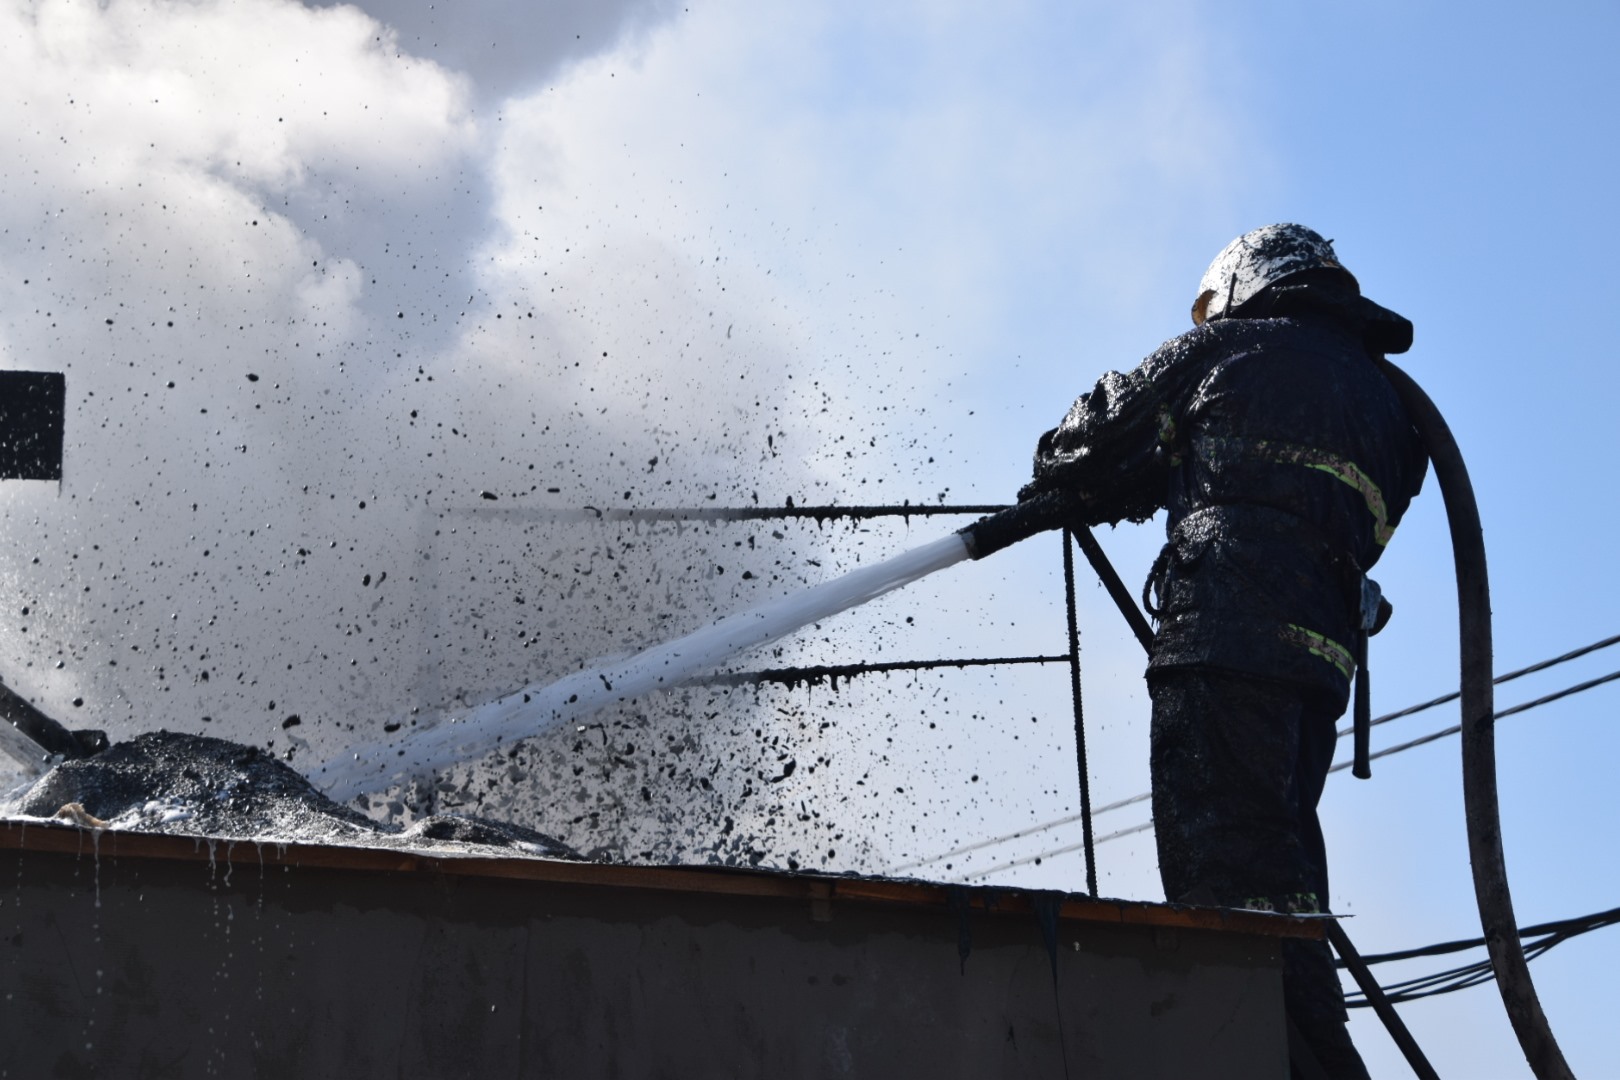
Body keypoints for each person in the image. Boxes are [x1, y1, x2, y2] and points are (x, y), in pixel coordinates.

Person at [1018, 224, 1427, 1079]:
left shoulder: (1228, 352)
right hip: (1317, 673)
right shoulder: (1395, 411)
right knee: (1278, 870)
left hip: (1222, 644)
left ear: (1243, 285)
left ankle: (1306, 1064)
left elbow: (1081, 447)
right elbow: (1286, 496)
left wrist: (1099, 477)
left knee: (1228, 889)